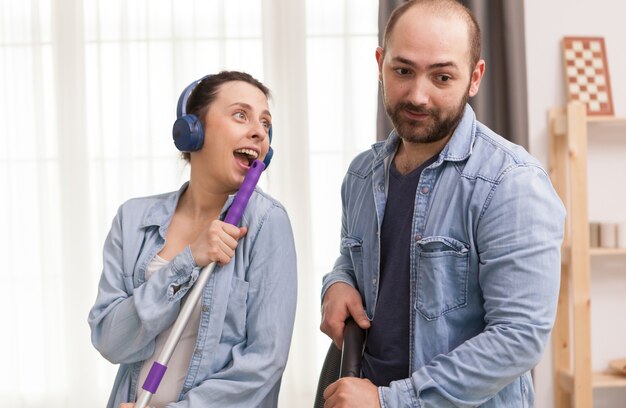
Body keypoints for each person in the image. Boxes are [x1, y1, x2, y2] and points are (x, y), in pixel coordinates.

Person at [319, 1, 565, 407]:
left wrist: (390, 401)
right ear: (380, 64)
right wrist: (337, 282)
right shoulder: (361, 174)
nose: (418, 95)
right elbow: (352, 256)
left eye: (442, 76)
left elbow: (518, 338)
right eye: (403, 71)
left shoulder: (512, 182)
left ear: (474, 78)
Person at [88, 71, 297, 408]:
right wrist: (188, 260)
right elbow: (111, 340)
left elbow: (264, 363)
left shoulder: (266, 223)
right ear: (192, 131)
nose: (259, 132)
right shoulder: (133, 220)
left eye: (266, 123)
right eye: (240, 115)